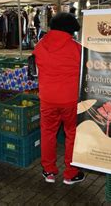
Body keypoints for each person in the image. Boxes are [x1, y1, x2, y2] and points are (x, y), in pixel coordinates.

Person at [33, 12, 85, 185]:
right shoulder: (77, 48)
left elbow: (35, 69)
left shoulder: (40, 45)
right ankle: (71, 173)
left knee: (48, 133)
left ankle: (49, 171)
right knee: (72, 134)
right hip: (70, 100)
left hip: (47, 98)